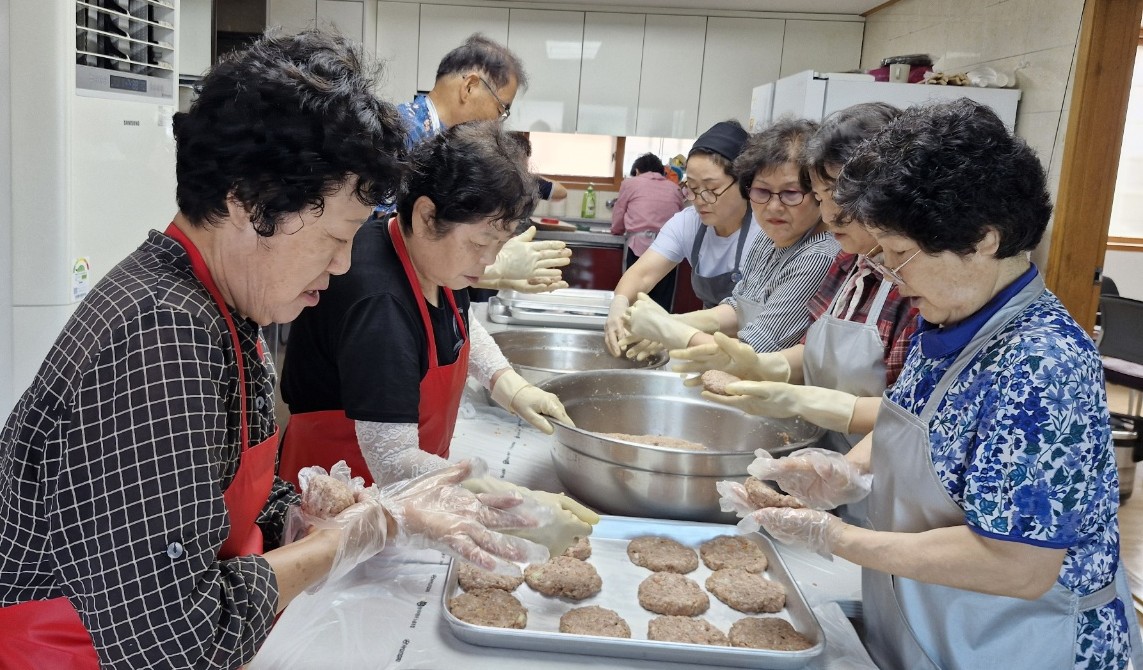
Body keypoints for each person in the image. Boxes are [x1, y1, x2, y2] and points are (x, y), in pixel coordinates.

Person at [0, 30, 552, 668]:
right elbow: (179, 641)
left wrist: (309, 509)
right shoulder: (161, 335)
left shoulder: (224, 309)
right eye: (334, 238)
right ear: (251, 203)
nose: (344, 266)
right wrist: (367, 531)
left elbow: (212, 504)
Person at [719, 99, 1143, 670]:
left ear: (983, 238)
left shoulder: (1040, 364)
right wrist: (848, 471)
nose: (888, 274)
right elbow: (908, 419)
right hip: (931, 619)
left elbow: (1017, 564)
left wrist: (836, 538)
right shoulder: (948, 316)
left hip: (1016, 642)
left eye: (899, 254)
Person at [279, 121, 575, 492]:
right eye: (481, 242)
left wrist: (509, 384)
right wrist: (499, 494)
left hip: (411, 497)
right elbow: (393, 461)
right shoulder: (379, 304)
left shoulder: (437, 263)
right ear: (425, 217)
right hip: (339, 502)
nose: (488, 261)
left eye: (499, 244)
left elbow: (456, 324)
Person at [671, 103, 916, 452]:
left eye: (792, 194)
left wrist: (783, 386)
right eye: (823, 196)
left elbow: (915, 414)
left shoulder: (841, 259)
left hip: (874, 467)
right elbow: (810, 349)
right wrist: (768, 369)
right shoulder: (851, 263)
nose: (832, 215)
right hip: (829, 449)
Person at [621, 118, 838, 358]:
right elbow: (739, 307)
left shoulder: (818, 256)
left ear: (819, 192)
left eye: (790, 193)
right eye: (762, 191)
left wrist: (673, 331)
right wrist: (675, 322)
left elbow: (753, 352)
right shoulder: (771, 238)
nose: (773, 207)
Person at [392, 33, 571, 295]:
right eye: (501, 109)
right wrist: (495, 267)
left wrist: (489, 274)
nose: (498, 123)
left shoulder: (444, 142)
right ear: (470, 87)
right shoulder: (404, 132)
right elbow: (388, 239)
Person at [604, 121, 760, 357]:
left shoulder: (766, 232)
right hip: (703, 347)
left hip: (754, 351)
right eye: (692, 188)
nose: (698, 199)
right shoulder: (689, 223)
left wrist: (672, 326)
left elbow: (745, 310)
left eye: (711, 188)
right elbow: (642, 274)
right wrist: (620, 303)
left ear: (745, 184)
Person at [609, 152, 686, 309]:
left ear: (637, 171)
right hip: (670, 248)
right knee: (661, 303)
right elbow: (680, 215)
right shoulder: (674, 188)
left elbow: (619, 211)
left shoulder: (631, 184)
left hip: (637, 246)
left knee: (633, 298)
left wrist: (616, 231)